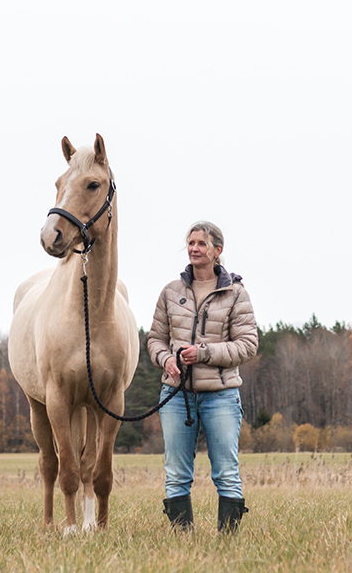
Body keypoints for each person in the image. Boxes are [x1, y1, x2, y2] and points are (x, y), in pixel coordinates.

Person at [147, 221, 258, 533]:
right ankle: (183, 540)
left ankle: (228, 542)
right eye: (191, 243)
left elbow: (248, 345)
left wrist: (204, 353)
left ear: (217, 251)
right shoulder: (171, 292)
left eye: (201, 243)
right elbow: (155, 338)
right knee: (176, 472)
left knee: (225, 471)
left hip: (221, 396)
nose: (194, 248)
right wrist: (166, 358)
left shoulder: (236, 294)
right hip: (175, 397)